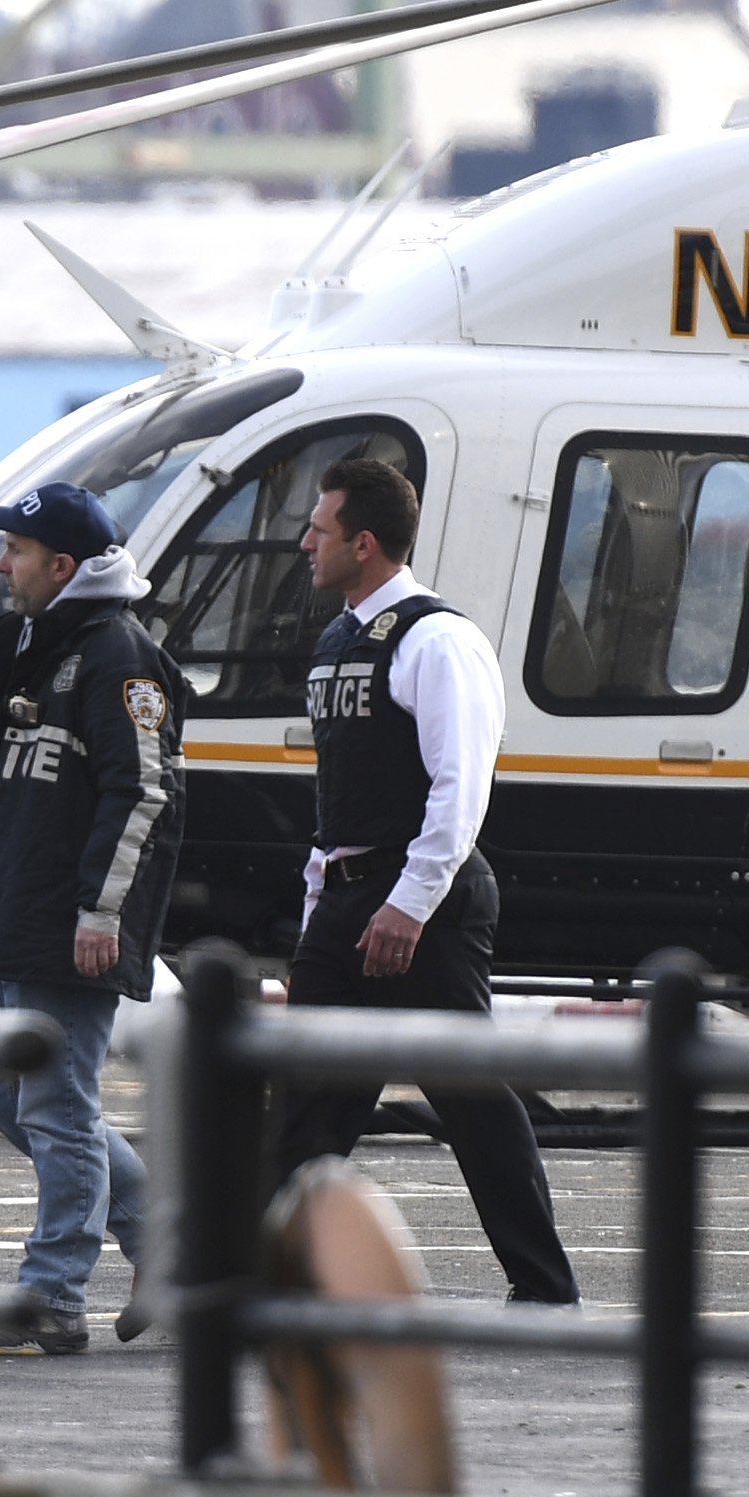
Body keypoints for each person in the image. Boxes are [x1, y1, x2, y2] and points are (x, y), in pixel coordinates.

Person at [278, 455, 579, 1306]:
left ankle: (546, 1287)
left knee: (471, 1101)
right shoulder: (340, 638)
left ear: (363, 543)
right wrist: (319, 907)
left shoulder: (437, 638)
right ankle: (248, 1278)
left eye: (319, 527)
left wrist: (408, 903)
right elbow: (339, 795)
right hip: (346, 901)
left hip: (424, 907)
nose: (305, 542)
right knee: (308, 1105)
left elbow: (461, 787)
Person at [0, 481, 181, 1353]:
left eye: (16, 552)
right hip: (7, 923)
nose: (0, 565)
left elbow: (142, 793)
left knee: (59, 1110)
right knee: (4, 1099)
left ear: (61, 566)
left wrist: (101, 911)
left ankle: (52, 1298)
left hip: (68, 932)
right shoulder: (32, 646)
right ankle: (170, 1243)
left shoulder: (120, 657)